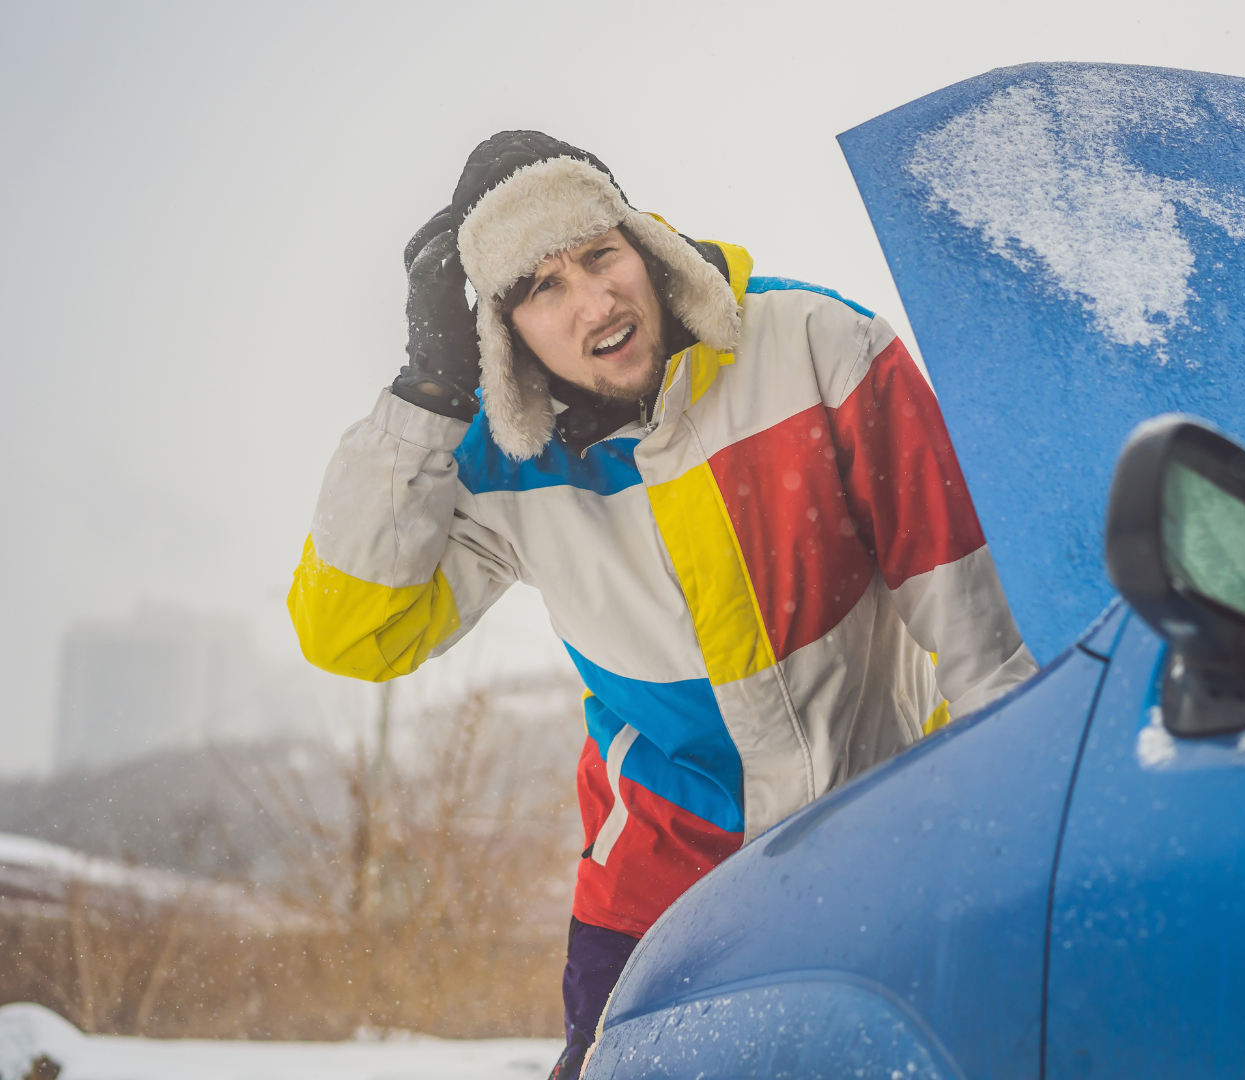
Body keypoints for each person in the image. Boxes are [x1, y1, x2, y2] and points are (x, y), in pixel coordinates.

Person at [287, 131, 1037, 1079]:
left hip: (879, 840)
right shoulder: (495, 456)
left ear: (642, 243)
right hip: (655, 894)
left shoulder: (819, 348)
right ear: (504, 330)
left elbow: (981, 632)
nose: (595, 301)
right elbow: (355, 632)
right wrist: (428, 392)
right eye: (542, 287)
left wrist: (1004, 836)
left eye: (599, 255)